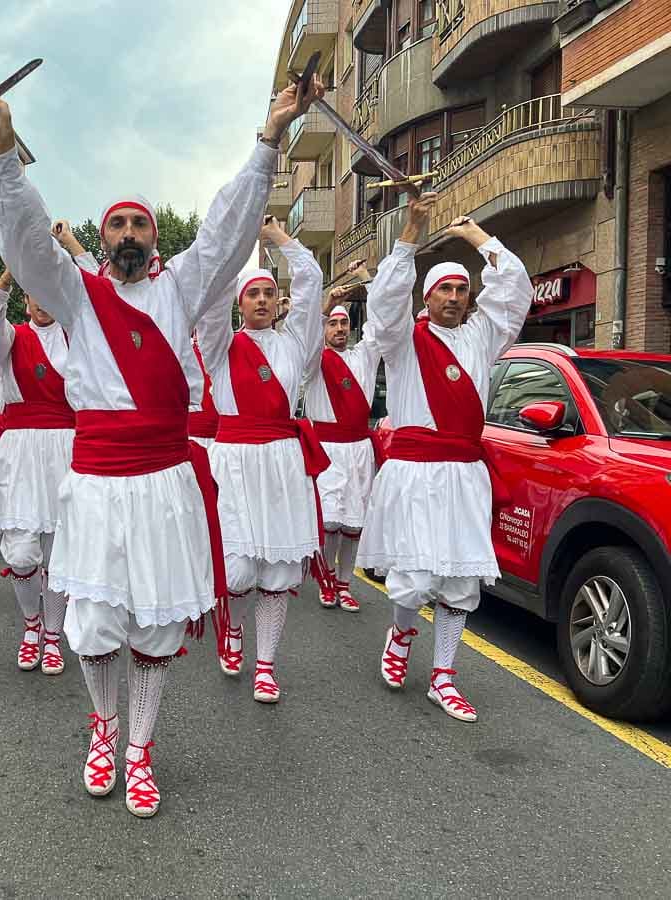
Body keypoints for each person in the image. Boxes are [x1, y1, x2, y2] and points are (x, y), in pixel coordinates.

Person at [0, 73, 323, 817]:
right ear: (103, 238)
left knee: (156, 625)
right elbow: (28, 245)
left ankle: (140, 748)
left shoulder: (185, 286)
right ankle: (102, 725)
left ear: (157, 236)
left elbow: (227, 229)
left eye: (140, 225)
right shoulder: (73, 293)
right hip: (95, 480)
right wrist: (2, 148)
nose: (128, 235)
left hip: (165, 482)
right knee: (94, 627)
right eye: (117, 225)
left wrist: (269, 138)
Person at [356, 192, 533, 723]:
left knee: (460, 581)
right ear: (426, 298)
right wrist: (411, 234)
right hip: (414, 475)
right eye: (444, 290)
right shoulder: (402, 341)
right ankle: (402, 633)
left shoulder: (483, 336)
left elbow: (514, 287)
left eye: (462, 289)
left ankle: (444, 677)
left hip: (463, 474)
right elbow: (384, 305)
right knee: (413, 579)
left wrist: (476, 237)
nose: (455, 297)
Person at [196, 216, 326, 701]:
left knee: (278, 572)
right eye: (253, 294)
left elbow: (311, 283)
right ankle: (231, 627)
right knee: (238, 572)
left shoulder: (296, 345)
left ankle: (266, 664)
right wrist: (236, 245)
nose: (263, 301)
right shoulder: (221, 345)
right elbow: (208, 306)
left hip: (282, 463)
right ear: (240, 302)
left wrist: (277, 238)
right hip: (233, 461)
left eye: (270, 294)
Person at [0, 262, 75, 677]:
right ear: (25, 300)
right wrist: (6, 278)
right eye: (34, 294)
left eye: (49, 294)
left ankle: (54, 635)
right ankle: (31, 623)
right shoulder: (9, 338)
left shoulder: (74, 337)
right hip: (22, 451)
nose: (42, 302)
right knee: (23, 553)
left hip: (67, 448)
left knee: (61, 553)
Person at [304, 278, 382, 613]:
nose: (338, 328)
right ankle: (326, 578)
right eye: (332, 323)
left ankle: (345, 582)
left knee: (353, 523)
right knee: (330, 520)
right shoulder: (314, 361)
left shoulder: (364, 356)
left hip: (359, 450)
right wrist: (325, 303)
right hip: (327, 449)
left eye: (343, 323)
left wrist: (372, 281)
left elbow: (379, 324)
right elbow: (302, 335)